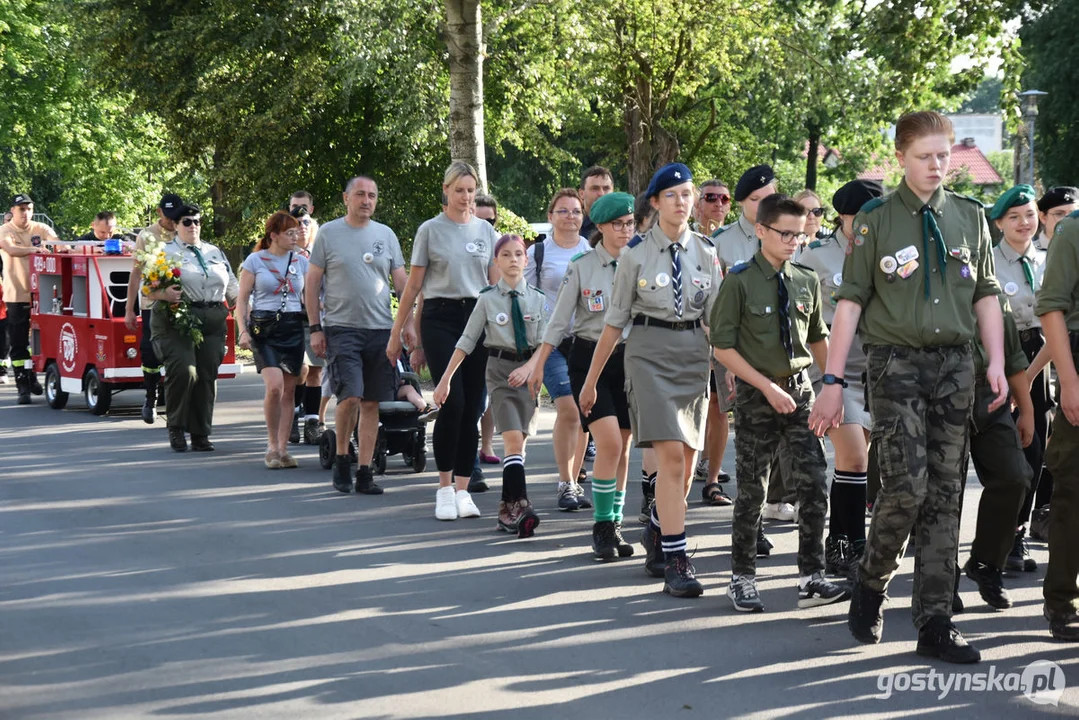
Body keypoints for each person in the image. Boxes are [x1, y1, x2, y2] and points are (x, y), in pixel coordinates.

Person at [810, 111, 1005, 664]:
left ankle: (936, 621)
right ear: (901, 158)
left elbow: (986, 294)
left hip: (955, 365)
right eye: (925, 156)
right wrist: (830, 381)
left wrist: (993, 361)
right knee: (906, 488)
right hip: (894, 365)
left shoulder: (970, 217)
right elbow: (849, 303)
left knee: (946, 493)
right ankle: (871, 582)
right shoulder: (875, 220)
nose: (937, 165)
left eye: (944, 155)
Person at [580, 163, 720, 597]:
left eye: (688, 194)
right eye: (673, 195)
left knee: (687, 461)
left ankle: (659, 529)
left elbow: (716, 322)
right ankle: (678, 561)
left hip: (694, 357)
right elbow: (614, 322)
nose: (683, 202)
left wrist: (728, 372)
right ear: (655, 203)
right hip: (648, 355)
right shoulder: (635, 255)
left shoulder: (707, 252)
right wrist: (590, 381)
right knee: (672, 459)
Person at [712, 193, 849, 611]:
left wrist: (832, 385)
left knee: (813, 484)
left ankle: (811, 574)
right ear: (761, 230)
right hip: (758, 393)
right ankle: (742, 577)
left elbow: (817, 338)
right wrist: (766, 387)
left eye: (800, 233)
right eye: (785, 233)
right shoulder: (738, 281)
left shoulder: (805, 279)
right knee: (753, 489)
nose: (794, 241)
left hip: (802, 389)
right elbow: (722, 346)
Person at [387, 161, 501, 521]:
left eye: (471, 190)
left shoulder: (486, 232)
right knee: (452, 403)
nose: (466, 197)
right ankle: (444, 487)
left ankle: (464, 489)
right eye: (459, 190)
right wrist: (401, 332)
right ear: (446, 190)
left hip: (478, 318)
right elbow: (414, 287)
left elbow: (497, 287)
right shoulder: (430, 230)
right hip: (439, 317)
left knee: (472, 408)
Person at [527, 192, 638, 559]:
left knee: (622, 448)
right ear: (602, 227)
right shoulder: (582, 265)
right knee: (608, 444)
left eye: (630, 223)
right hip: (588, 358)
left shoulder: (639, 263)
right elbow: (559, 320)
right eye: (617, 224)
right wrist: (539, 362)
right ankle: (602, 527)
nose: (625, 231)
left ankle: (616, 523)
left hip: (629, 359)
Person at [434, 234, 547, 537]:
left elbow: (546, 343)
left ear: (526, 260)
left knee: (518, 447)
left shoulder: (538, 298)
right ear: (495, 261)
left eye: (518, 254)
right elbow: (467, 341)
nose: (513, 260)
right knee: (511, 439)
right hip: (499, 372)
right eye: (506, 255)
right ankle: (521, 505)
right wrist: (445, 379)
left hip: (529, 374)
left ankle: (506, 511)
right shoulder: (486, 298)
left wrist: (529, 368)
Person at [799, 179, 883, 576]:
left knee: (856, 462)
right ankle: (846, 545)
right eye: (861, 218)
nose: (869, 225)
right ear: (843, 217)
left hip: (875, 368)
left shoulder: (888, 253)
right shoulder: (815, 257)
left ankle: (845, 540)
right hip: (830, 366)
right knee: (853, 455)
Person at [307, 176, 409, 495]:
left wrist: (408, 323)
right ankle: (341, 459)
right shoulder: (328, 234)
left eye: (372, 196)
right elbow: (311, 284)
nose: (367, 200)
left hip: (380, 330)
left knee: (371, 403)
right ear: (346, 198)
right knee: (350, 396)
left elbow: (403, 283)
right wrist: (315, 328)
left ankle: (365, 472)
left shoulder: (386, 235)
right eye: (360, 194)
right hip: (341, 328)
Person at [989, 185, 1050, 574]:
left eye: (1029, 214)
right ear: (998, 223)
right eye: (1014, 217)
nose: (1024, 223)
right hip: (999, 359)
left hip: (1039, 361)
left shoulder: (1049, 261)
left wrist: (1028, 379)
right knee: (1002, 456)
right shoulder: (988, 263)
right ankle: (994, 540)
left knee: (1035, 452)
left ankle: (1017, 536)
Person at [959, 295, 1033, 610]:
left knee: (1015, 477)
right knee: (944, 495)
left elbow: (1014, 358)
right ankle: (939, 582)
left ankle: (987, 563)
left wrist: (1026, 411)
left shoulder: (995, 300)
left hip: (992, 401)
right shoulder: (939, 292)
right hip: (944, 398)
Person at [149, 203, 239, 452]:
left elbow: (231, 284)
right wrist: (163, 293)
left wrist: (244, 307)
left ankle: (200, 432)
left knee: (207, 375)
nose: (193, 226)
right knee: (186, 371)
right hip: (176, 320)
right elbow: (146, 289)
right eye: (187, 222)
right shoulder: (165, 253)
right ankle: (176, 427)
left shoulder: (213, 251)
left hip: (211, 318)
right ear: (176, 226)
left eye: (197, 221)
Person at [525, 188, 593, 511]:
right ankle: (565, 482)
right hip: (549, 344)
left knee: (584, 412)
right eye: (563, 211)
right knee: (568, 408)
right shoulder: (537, 254)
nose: (570, 216)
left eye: (576, 211)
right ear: (550, 216)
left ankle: (575, 481)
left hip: (584, 342)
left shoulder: (592, 252)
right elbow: (523, 295)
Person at [1033, 206, 1079, 641]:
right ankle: (1063, 601)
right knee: (1072, 497)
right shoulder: (1073, 231)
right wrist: (1068, 380)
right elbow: (1052, 309)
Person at [236, 211, 308, 469]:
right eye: (289, 232)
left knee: (289, 391)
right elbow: (242, 299)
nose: (295, 236)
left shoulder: (301, 261)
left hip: (293, 327)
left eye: (296, 231)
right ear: (273, 236)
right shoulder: (255, 260)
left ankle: (283, 448)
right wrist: (242, 330)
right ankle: (270, 445)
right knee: (275, 386)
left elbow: (311, 296)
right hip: (264, 329)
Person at [126, 193, 184, 423]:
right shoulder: (147, 235)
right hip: (152, 303)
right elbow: (136, 273)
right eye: (169, 216)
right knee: (150, 353)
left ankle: (173, 406)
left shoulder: (185, 229)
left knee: (176, 355)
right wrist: (129, 309)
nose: (173, 221)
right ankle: (150, 397)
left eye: (176, 216)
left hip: (180, 303)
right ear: (160, 212)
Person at [0, 194, 60, 404]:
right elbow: (10, 249)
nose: (25, 213)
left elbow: (57, 243)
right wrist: (34, 250)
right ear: (13, 211)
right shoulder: (6, 229)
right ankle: (22, 385)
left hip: (42, 294)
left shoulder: (40, 228)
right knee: (18, 342)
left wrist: (65, 247)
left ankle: (33, 375)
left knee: (40, 340)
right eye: (21, 209)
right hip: (17, 294)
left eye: (28, 209)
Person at [290, 206, 326, 445]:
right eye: (297, 223)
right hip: (292, 319)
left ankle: (312, 422)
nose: (302, 227)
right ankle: (292, 417)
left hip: (318, 319)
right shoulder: (285, 254)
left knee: (315, 371)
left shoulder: (321, 254)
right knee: (298, 370)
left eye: (305, 222)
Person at [473, 193, 500, 464]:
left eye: (490, 220)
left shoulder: (502, 244)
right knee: (473, 389)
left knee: (491, 387)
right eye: (481, 219)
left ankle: (488, 445)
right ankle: (467, 444)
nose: (486, 224)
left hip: (495, 322)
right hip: (465, 318)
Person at [1035, 186, 1078, 250]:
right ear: (1043, 217)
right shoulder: (1030, 254)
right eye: (1059, 214)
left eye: (1074, 213)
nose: (1068, 220)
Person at [578, 166, 614, 240]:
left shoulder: (625, 226)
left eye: (606, 188)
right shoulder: (572, 226)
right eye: (595, 188)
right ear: (582, 193)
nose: (601, 193)